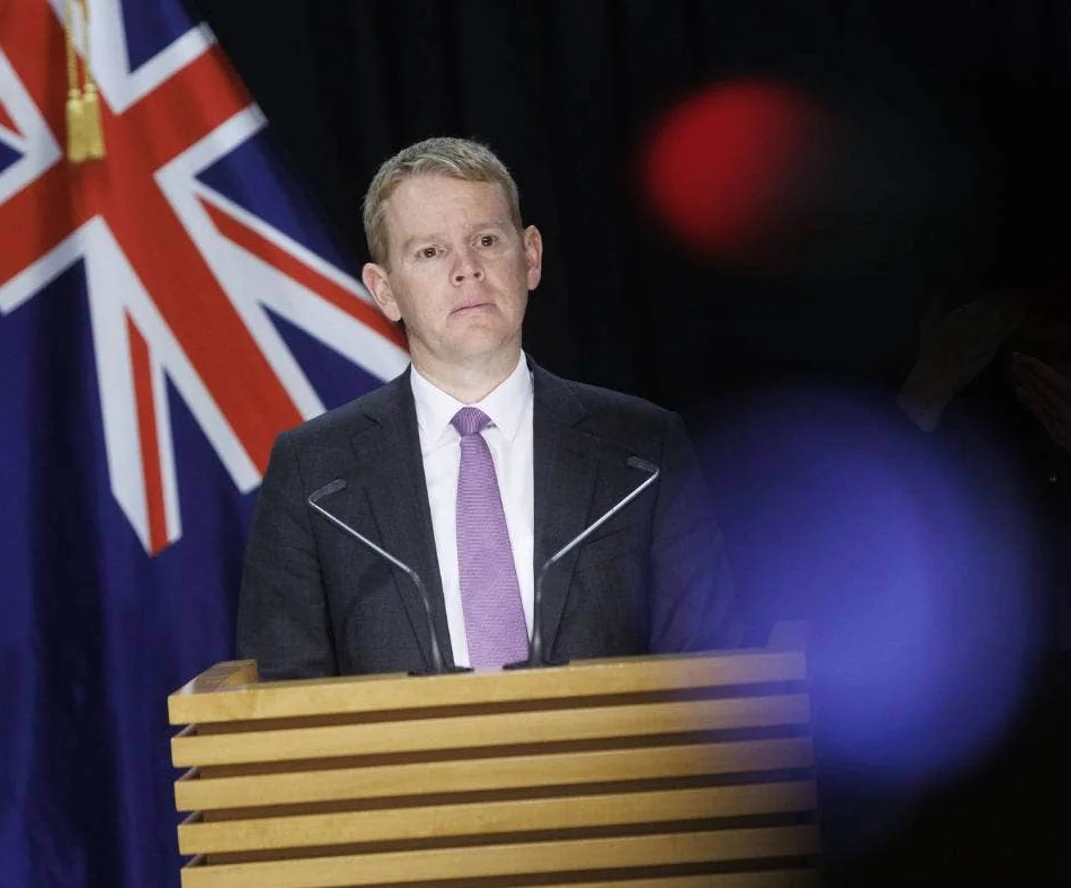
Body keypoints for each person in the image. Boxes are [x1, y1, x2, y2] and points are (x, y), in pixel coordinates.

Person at [235, 136, 738, 679]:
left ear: (531, 257)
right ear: (385, 291)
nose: (467, 269)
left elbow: (711, 671)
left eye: (487, 240)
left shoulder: (643, 450)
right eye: (430, 252)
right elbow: (284, 691)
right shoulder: (313, 474)